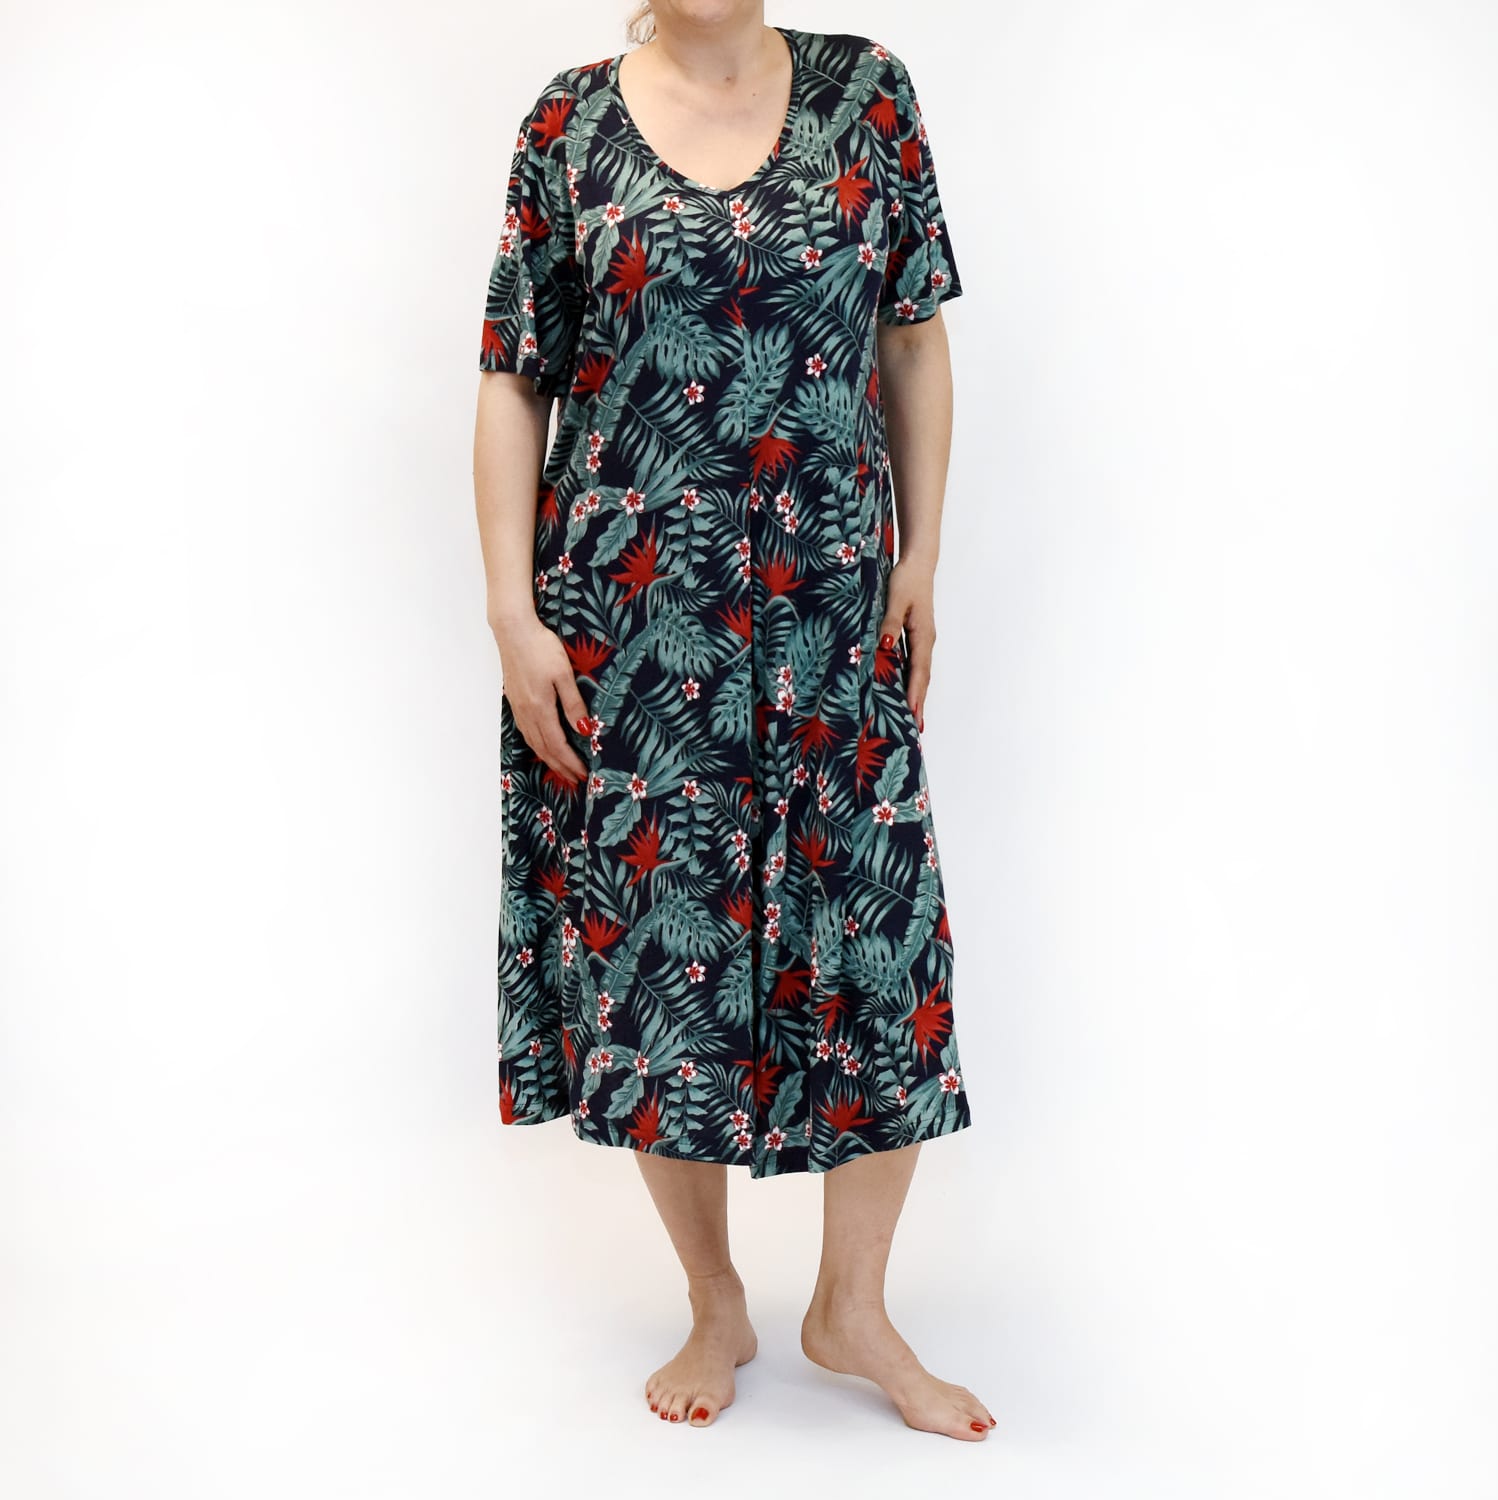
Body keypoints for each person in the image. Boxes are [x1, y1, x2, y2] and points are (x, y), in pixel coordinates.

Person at [473, 0, 993, 1440]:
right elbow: (513, 377)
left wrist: (922, 559)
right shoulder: (569, 123)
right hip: (634, 625)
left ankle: (853, 1309)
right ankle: (715, 1299)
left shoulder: (868, 93)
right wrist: (512, 613)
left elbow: (914, 340)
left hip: (835, 612)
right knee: (666, 961)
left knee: (880, 947)